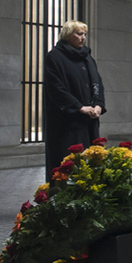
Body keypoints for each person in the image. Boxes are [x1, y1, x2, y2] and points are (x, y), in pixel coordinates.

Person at [43, 20, 105, 180]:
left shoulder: (88, 58)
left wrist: (98, 104)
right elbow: (56, 88)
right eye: (79, 34)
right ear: (67, 35)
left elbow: (98, 83)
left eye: (84, 34)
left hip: (88, 122)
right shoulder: (55, 57)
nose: (83, 38)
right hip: (67, 124)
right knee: (68, 166)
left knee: (90, 165)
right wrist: (78, 107)